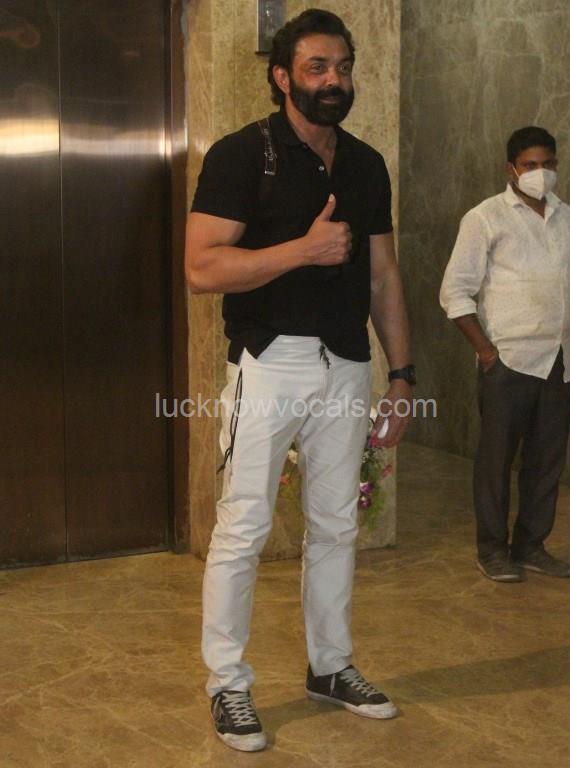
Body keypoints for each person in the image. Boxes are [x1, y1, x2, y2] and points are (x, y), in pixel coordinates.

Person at [185, 8, 414, 753]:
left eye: (342, 67)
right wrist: (301, 251)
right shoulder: (240, 155)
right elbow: (201, 267)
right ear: (283, 76)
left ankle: (330, 666)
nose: (333, 80)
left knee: (336, 524)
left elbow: (383, 274)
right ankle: (228, 682)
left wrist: (401, 375)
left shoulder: (366, 164)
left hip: (346, 363)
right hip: (268, 361)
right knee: (244, 525)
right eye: (317, 67)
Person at [440, 126, 570, 583]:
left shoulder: (568, 218)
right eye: (530, 165)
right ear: (511, 169)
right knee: (496, 461)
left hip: (559, 359)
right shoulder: (485, 218)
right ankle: (492, 550)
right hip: (508, 361)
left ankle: (530, 546)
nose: (541, 173)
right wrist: (486, 352)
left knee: (547, 461)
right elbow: (454, 293)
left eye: (548, 164)